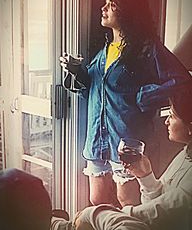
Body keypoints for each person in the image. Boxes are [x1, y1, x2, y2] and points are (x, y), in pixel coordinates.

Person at [60, 0, 192, 207]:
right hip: (98, 138)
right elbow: (93, 89)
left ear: (128, 10)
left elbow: (181, 81)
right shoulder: (105, 50)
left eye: (112, 4)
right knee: (97, 199)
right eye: (106, 3)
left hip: (126, 137)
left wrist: (145, 96)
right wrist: (76, 72)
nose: (104, 8)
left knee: (128, 200)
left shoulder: (147, 48)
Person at [52, 86, 192, 230]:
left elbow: (155, 216)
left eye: (172, 116)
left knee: (82, 219)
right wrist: (145, 176)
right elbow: (158, 204)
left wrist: (100, 214)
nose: (166, 121)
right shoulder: (186, 154)